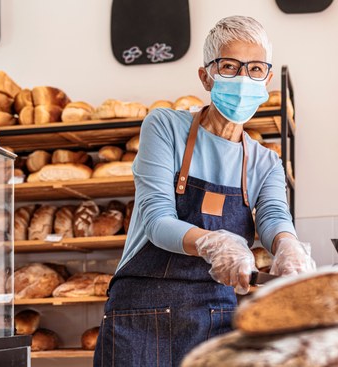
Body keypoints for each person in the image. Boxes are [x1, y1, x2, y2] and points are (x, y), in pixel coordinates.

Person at [93, 15, 316, 366]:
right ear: (206, 76)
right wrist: (213, 242)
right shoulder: (164, 126)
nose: (244, 78)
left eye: (255, 69)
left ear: (267, 80)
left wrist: (288, 246)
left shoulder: (265, 162)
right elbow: (156, 219)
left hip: (214, 316)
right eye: (229, 66)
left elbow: (274, 215)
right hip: (140, 314)